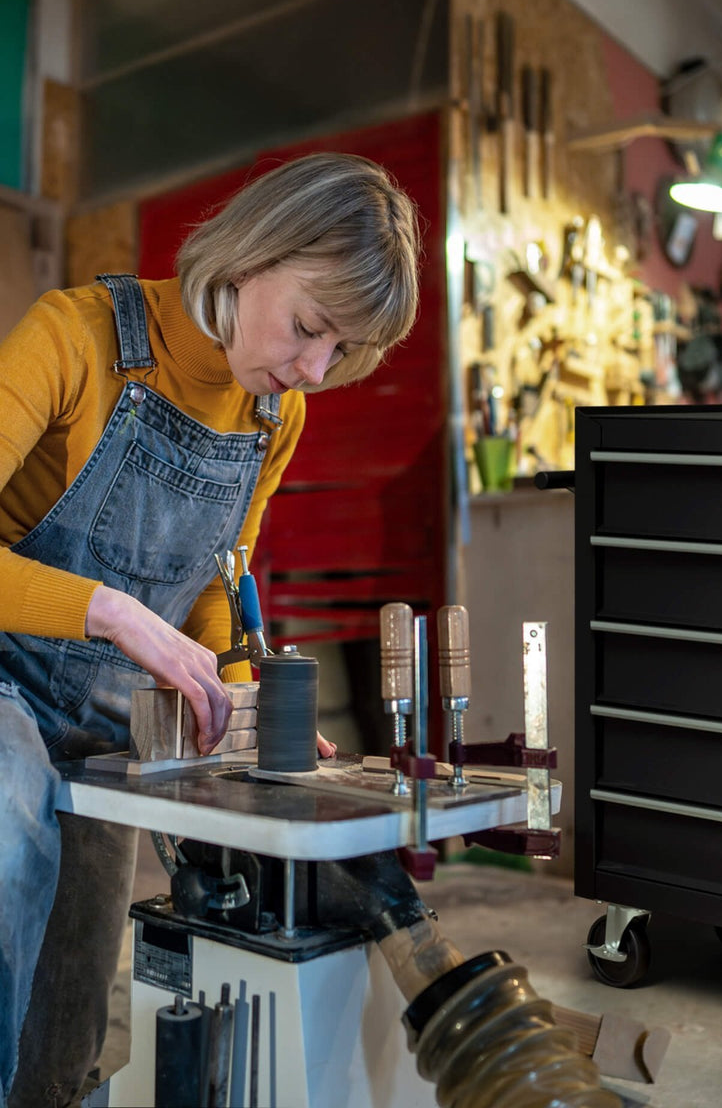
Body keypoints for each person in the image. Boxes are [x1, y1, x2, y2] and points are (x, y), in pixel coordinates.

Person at [0, 151, 421, 1107]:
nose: (313, 369)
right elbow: (139, 613)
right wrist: (109, 612)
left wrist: (239, 689)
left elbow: (213, 584)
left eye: (342, 352)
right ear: (250, 255)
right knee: (7, 838)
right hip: (3, 685)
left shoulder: (276, 415)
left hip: (105, 728)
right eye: (310, 327)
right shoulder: (72, 338)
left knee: (61, 1040)